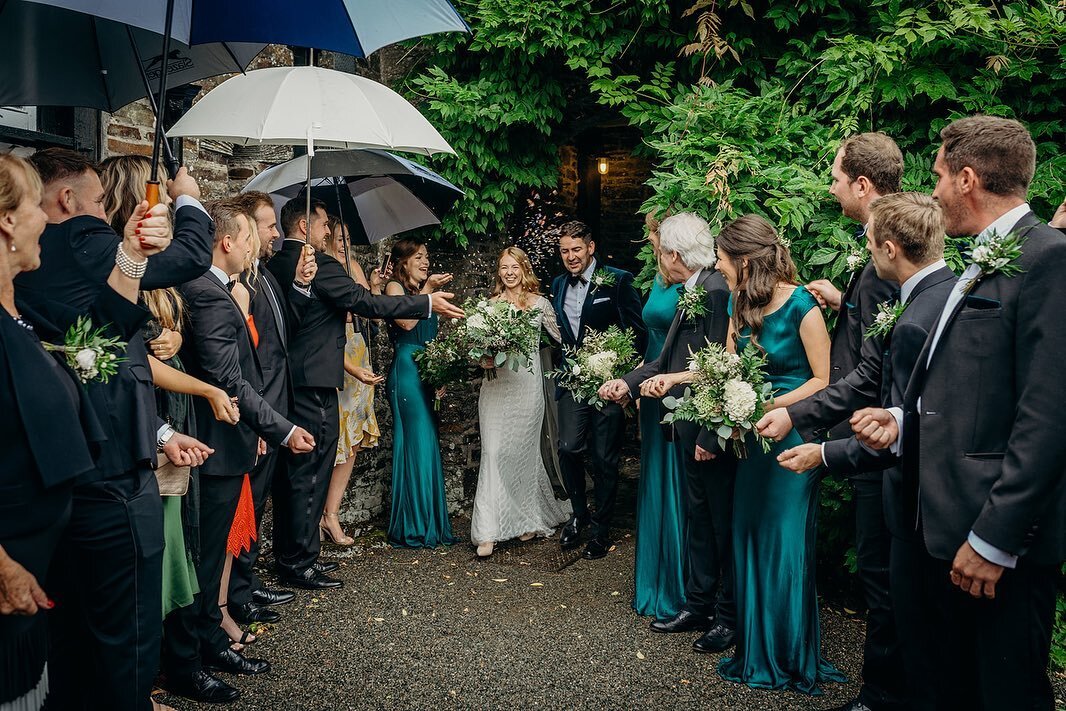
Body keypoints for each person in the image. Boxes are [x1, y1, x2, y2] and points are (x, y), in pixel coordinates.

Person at [851, 116, 1066, 710]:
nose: (935, 188)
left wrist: (996, 539)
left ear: (967, 178)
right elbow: (961, 392)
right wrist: (902, 421)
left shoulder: (1048, 259)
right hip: (936, 530)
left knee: (1004, 694)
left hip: (992, 540)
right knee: (944, 689)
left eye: (940, 175)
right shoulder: (976, 264)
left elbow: (1047, 415)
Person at [15, 148, 214, 711]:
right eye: (98, 202)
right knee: (126, 627)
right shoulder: (79, 239)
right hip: (110, 473)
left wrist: (128, 254)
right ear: (67, 201)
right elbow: (188, 258)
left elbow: (109, 327)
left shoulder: (45, 269)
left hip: (79, 465)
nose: (103, 213)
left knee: (78, 633)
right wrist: (186, 197)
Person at [757, 133, 905, 711]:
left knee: (881, 573)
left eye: (837, 177)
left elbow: (874, 370)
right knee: (881, 571)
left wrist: (792, 411)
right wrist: (847, 306)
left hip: (878, 432)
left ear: (862, 185)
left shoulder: (885, 260)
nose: (831, 186)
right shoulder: (877, 263)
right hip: (869, 427)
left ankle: (882, 695)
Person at [0, 154, 151, 711]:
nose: (47, 218)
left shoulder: (20, 309)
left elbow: (103, 334)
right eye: (32, 204)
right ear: (8, 222)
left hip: (51, 548)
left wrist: (132, 254)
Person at [164, 200, 316, 704]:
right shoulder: (207, 294)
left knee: (210, 558)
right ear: (228, 243)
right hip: (212, 442)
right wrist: (282, 428)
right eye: (249, 237)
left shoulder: (224, 290)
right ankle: (187, 661)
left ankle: (209, 642)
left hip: (230, 438)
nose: (255, 246)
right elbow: (228, 379)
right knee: (204, 559)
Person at [266, 198, 463, 588]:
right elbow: (363, 301)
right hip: (315, 381)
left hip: (295, 380)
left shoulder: (275, 263)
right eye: (324, 225)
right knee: (309, 474)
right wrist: (425, 302)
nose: (328, 232)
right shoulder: (317, 264)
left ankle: (301, 556)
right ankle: (297, 562)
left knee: (300, 475)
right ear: (305, 226)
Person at [711, 215, 844, 694]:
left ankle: (786, 654)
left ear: (745, 262)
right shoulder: (737, 301)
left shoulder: (803, 305)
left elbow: (824, 380)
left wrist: (771, 402)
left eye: (723, 261)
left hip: (791, 439)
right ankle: (756, 647)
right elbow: (726, 363)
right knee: (748, 534)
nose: (719, 269)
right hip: (750, 438)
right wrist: (721, 393)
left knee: (783, 541)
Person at [600, 212, 735, 649]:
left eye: (660, 250)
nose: (659, 255)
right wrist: (630, 381)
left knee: (717, 522)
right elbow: (667, 359)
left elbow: (720, 367)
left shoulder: (715, 291)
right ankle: (697, 605)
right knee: (698, 516)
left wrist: (711, 434)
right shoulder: (693, 289)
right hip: (682, 420)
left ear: (673, 254)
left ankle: (722, 613)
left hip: (705, 424)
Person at [776, 192, 955, 516]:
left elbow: (907, 417)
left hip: (914, 494)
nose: (867, 249)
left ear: (889, 249)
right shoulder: (949, 291)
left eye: (870, 241)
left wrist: (823, 453)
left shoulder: (913, 323)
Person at [550, 220, 645, 560]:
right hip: (573, 383)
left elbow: (637, 333)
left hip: (608, 385)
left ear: (590, 247)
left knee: (606, 459)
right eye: (564, 251)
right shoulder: (558, 284)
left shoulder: (619, 280)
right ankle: (579, 514)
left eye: (576, 249)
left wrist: (623, 376)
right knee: (568, 448)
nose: (570, 256)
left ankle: (601, 530)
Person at [226, 191, 300, 627]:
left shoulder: (265, 275)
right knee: (245, 503)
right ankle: (236, 593)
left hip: (274, 404)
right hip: (258, 408)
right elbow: (247, 356)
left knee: (258, 502)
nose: (276, 232)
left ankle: (247, 582)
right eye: (269, 225)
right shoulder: (241, 284)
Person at [470, 247, 571, 557]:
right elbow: (475, 349)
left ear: (524, 269)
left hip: (527, 388)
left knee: (523, 454)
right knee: (494, 452)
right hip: (497, 387)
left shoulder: (539, 304)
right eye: (504, 267)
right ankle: (487, 531)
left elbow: (562, 339)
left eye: (514, 266)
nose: (509, 272)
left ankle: (526, 518)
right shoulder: (488, 307)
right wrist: (483, 358)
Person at [614, 211, 688, 619]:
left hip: (672, 381)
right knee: (655, 475)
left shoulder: (690, 282)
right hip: (650, 380)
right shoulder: (659, 278)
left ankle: (676, 584)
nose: (649, 239)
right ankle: (654, 577)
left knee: (675, 479)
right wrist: (635, 384)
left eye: (652, 232)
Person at [384, 237, 458, 548]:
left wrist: (441, 371)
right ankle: (411, 525)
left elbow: (432, 336)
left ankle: (429, 520)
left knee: (427, 443)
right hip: (406, 373)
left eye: (426, 256)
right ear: (403, 262)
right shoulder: (393, 289)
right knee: (416, 442)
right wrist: (428, 292)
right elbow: (403, 323)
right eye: (418, 257)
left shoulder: (421, 294)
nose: (425, 262)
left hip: (426, 374)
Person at [321, 217, 383, 546]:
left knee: (354, 440)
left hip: (357, 349)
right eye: (338, 237)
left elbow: (368, 311)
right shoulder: (319, 267)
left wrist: (372, 286)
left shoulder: (353, 265)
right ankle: (323, 514)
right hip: (336, 351)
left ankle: (331, 512)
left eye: (347, 238)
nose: (343, 243)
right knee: (335, 441)